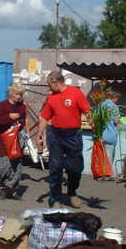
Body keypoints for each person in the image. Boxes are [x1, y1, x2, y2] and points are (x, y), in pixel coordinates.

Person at [37, 71, 91, 208]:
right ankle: (55, 198)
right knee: (55, 167)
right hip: (55, 134)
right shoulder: (51, 98)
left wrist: (95, 127)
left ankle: (72, 193)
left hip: (73, 135)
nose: (49, 88)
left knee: (75, 168)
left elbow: (87, 111)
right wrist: (39, 135)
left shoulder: (76, 93)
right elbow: (44, 117)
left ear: (56, 82)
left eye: (50, 85)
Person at [0, 83, 27, 197]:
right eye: (16, 94)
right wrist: (9, 117)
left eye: (20, 94)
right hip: (2, 142)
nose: (18, 96)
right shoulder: (3, 105)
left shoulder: (22, 106)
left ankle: (10, 189)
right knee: (0, 167)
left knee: (16, 167)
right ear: (11, 93)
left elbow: (23, 121)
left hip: (15, 142)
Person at [100, 89, 121, 178]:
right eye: (117, 98)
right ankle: (107, 175)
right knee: (109, 155)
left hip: (101, 134)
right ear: (114, 97)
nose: (118, 100)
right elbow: (116, 121)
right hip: (110, 135)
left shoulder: (101, 105)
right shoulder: (114, 107)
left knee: (102, 155)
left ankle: (101, 174)